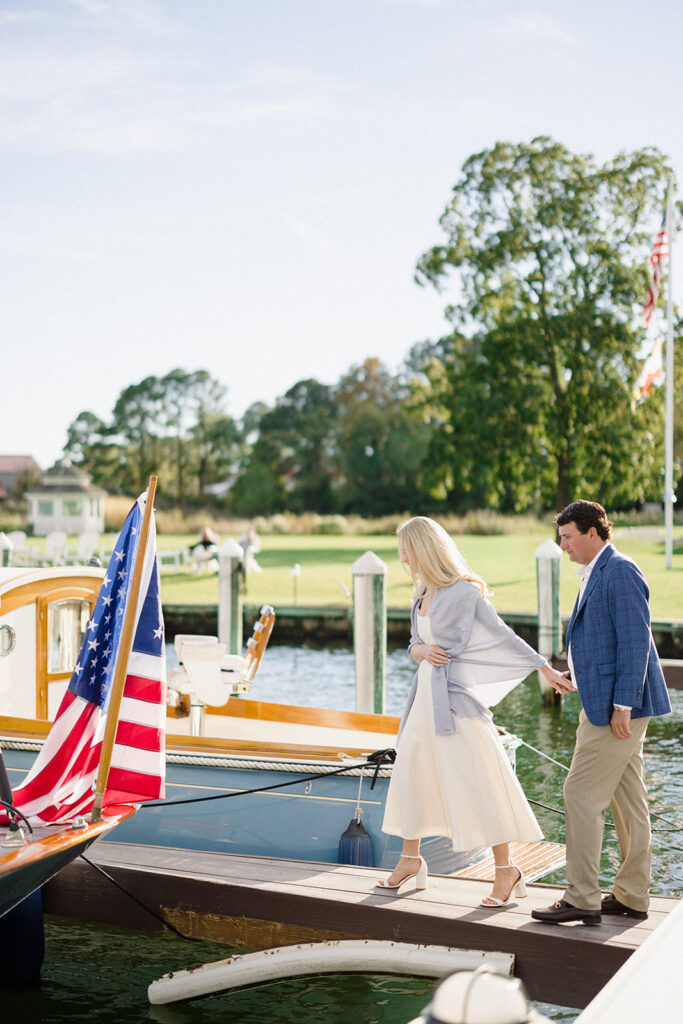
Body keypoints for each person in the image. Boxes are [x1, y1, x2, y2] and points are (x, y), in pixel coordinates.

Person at [377, 516, 570, 907]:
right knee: (412, 776)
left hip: (455, 703)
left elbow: (502, 634)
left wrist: (543, 667)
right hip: (423, 705)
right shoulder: (422, 592)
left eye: (406, 548)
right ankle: (410, 860)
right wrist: (422, 651)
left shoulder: (464, 593)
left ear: (423, 548)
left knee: (479, 783)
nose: (402, 557)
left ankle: (506, 870)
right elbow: (414, 644)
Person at [532, 500, 672, 926]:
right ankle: (631, 896)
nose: (563, 546)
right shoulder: (597, 570)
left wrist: (622, 706)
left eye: (569, 536)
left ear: (594, 532)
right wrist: (575, 670)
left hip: (616, 706)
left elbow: (635, 643)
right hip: (605, 697)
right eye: (561, 538)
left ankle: (582, 898)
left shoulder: (621, 570)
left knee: (579, 794)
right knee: (628, 801)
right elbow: (603, 638)